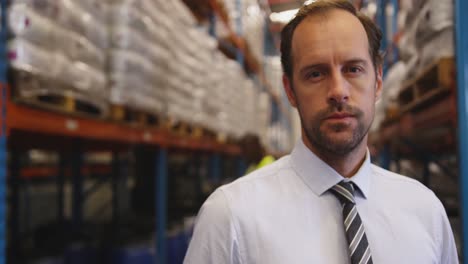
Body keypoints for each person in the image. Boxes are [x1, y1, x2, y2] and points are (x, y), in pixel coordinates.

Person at [184, 1, 459, 263]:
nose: (338, 91)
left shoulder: (426, 212)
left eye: (353, 69)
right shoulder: (230, 218)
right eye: (316, 74)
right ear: (290, 90)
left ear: (377, 82)